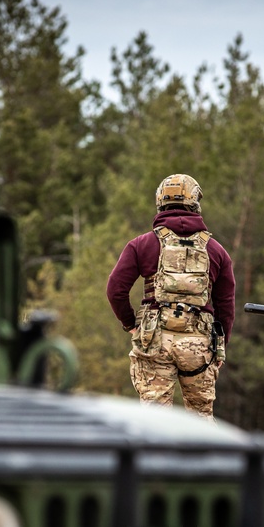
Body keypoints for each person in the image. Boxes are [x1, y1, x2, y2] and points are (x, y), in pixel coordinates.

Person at [106, 173, 235, 419]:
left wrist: (131, 325)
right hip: (198, 346)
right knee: (201, 419)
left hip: (154, 341)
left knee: (154, 421)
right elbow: (225, 305)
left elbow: (115, 289)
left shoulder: (142, 244)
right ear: (195, 202)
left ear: (160, 203)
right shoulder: (216, 251)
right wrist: (221, 346)